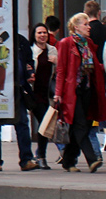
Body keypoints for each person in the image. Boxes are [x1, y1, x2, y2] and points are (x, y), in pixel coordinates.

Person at [53, 12, 106, 172]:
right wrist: (58, 93)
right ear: (76, 27)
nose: (89, 27)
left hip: (88, 90)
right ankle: (92, 159)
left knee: (85, 124)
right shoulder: (66, 43)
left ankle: (68, 160)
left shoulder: (88, 43)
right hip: (72, 92)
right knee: (80, 124)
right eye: (85, 24)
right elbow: (61, 70)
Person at [0, 34, 39, 171]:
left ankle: (26, 159)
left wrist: (30, 73)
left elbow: (29, 61)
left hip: (18, 88)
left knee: (22, 123)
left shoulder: (20, 40)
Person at [29, 22, 57, 169]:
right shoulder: (31, 51)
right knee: (43, 123)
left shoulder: (53, 50)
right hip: (35, 93)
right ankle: (41, 156)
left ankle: (39, 154)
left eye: (44, 33)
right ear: (34, 35)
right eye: (39, 33)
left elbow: (59, 70)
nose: (42, 35)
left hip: (49, 93)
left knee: (45, 125)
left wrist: (56, 62)